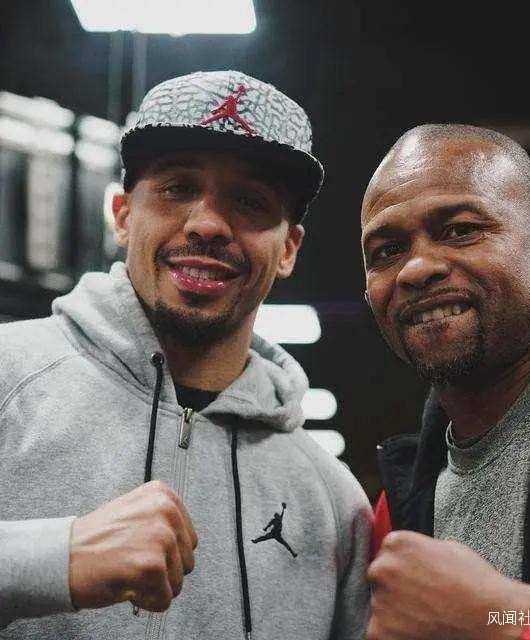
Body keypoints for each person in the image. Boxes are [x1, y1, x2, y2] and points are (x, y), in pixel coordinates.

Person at [0, 70, 371, 639]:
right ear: (123, 215)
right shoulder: (8, 377)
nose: (207, 224)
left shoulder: (334, 502)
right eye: (177, 188)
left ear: (288, 249)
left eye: (250, 201)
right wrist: (53, 559)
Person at [360, 124, 530, 639]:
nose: (415, 269)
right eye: (387, 250)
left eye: (460, 230)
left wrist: (516, 620)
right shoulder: (395, 510)